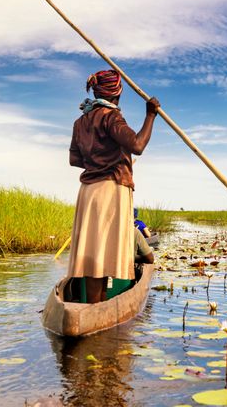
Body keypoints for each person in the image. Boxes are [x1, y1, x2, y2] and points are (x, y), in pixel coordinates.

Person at [67, 69, 160, 303]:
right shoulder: (111, 116)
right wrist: (150, 115)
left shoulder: (81, 122)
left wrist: (97, 159)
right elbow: (137, 145)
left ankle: (93, 305)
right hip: (111, 188)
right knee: (105, 251)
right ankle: (98, 308)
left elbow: (75, 160)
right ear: (116, 92)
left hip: (89, 192)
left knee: (93, 252)